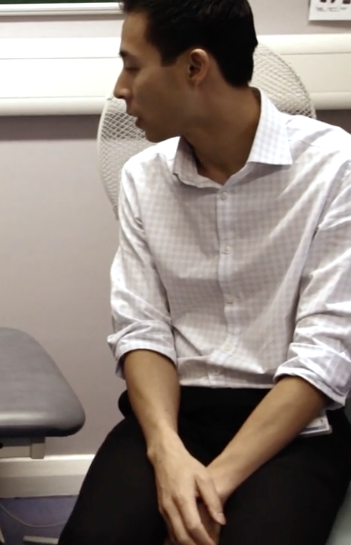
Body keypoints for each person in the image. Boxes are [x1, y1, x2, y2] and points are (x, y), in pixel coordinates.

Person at [58, 1, 351, 545]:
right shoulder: (143, 177)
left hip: (294, 426)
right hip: (176, 416)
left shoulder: (335, 167)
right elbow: (142, 330)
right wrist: (167, 453)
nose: (120, 89)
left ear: (195, 66)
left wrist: (209, 487)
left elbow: (325, 352)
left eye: (133, 66)